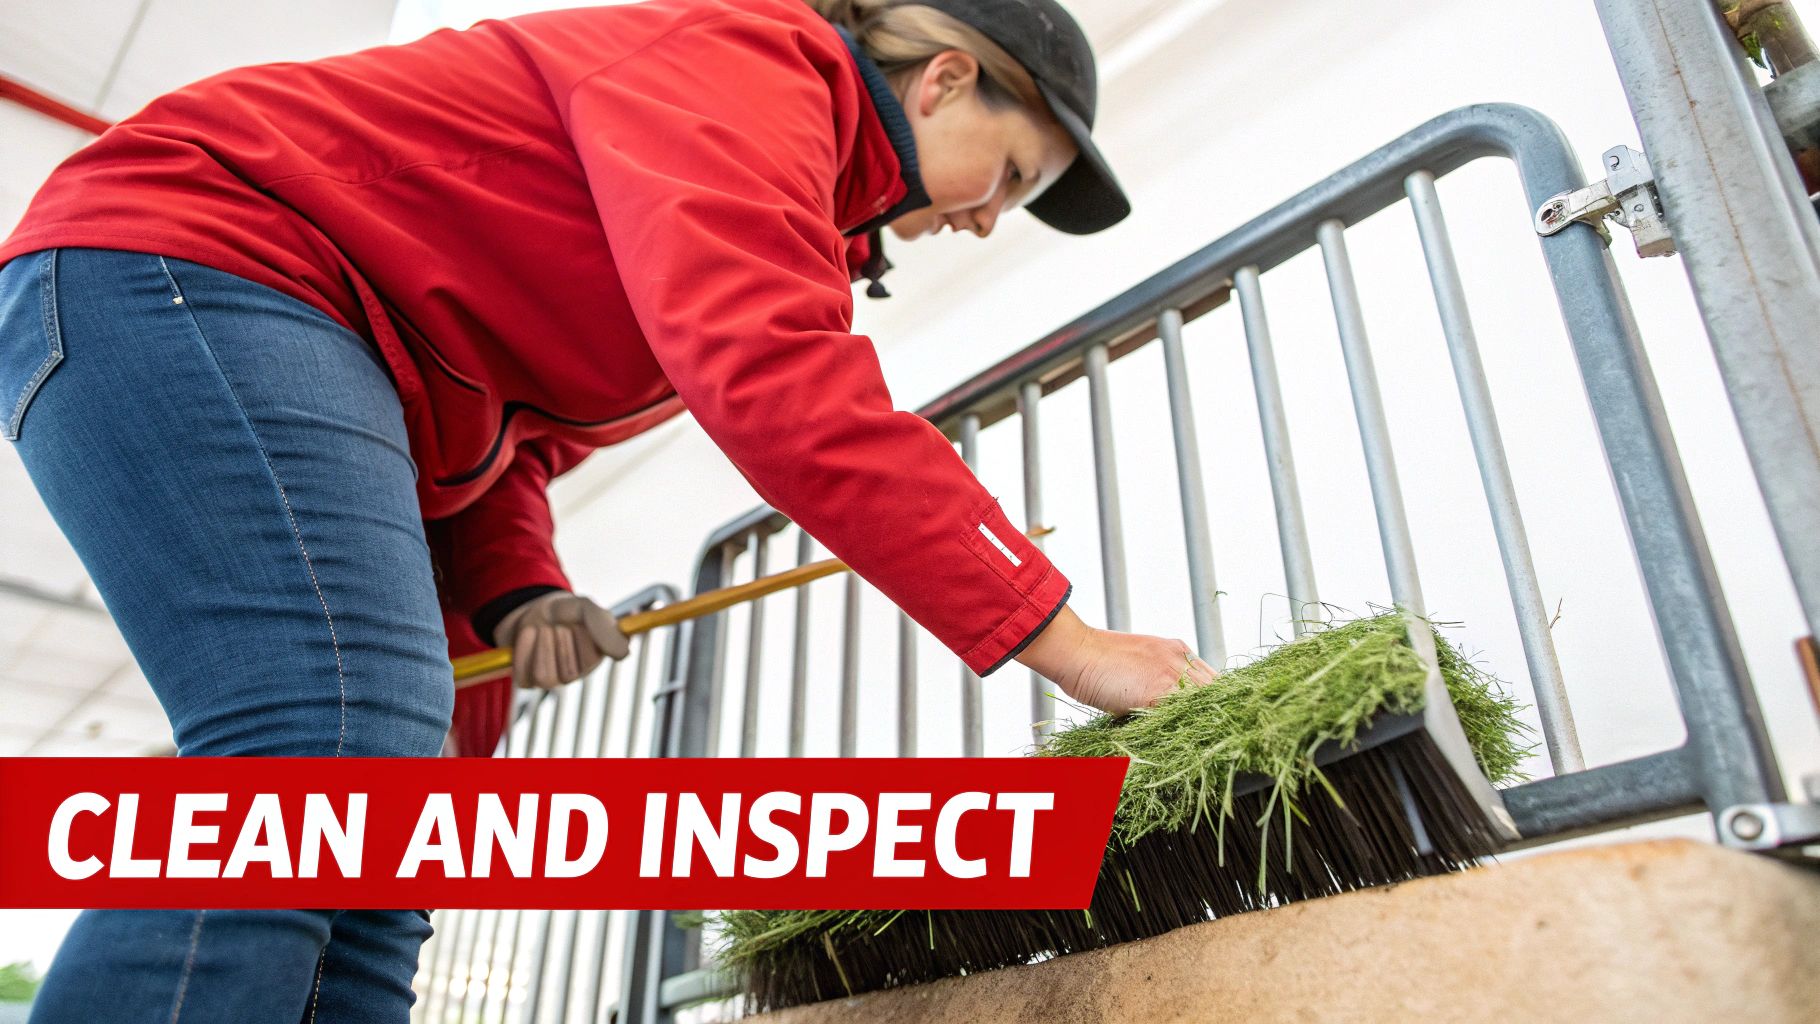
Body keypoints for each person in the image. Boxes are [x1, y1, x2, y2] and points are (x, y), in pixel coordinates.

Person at [0, 0, 1218, 1018]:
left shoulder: (795, 212)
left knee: (393, 833)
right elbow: (783, 382)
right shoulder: (754, 66)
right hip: (195, 262)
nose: (985, 218)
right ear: (946, 79)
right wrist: (1068, 643)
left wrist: (520, 582)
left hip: (320, 343)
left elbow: (501, 430)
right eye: (1009, 175)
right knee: (327, 738)